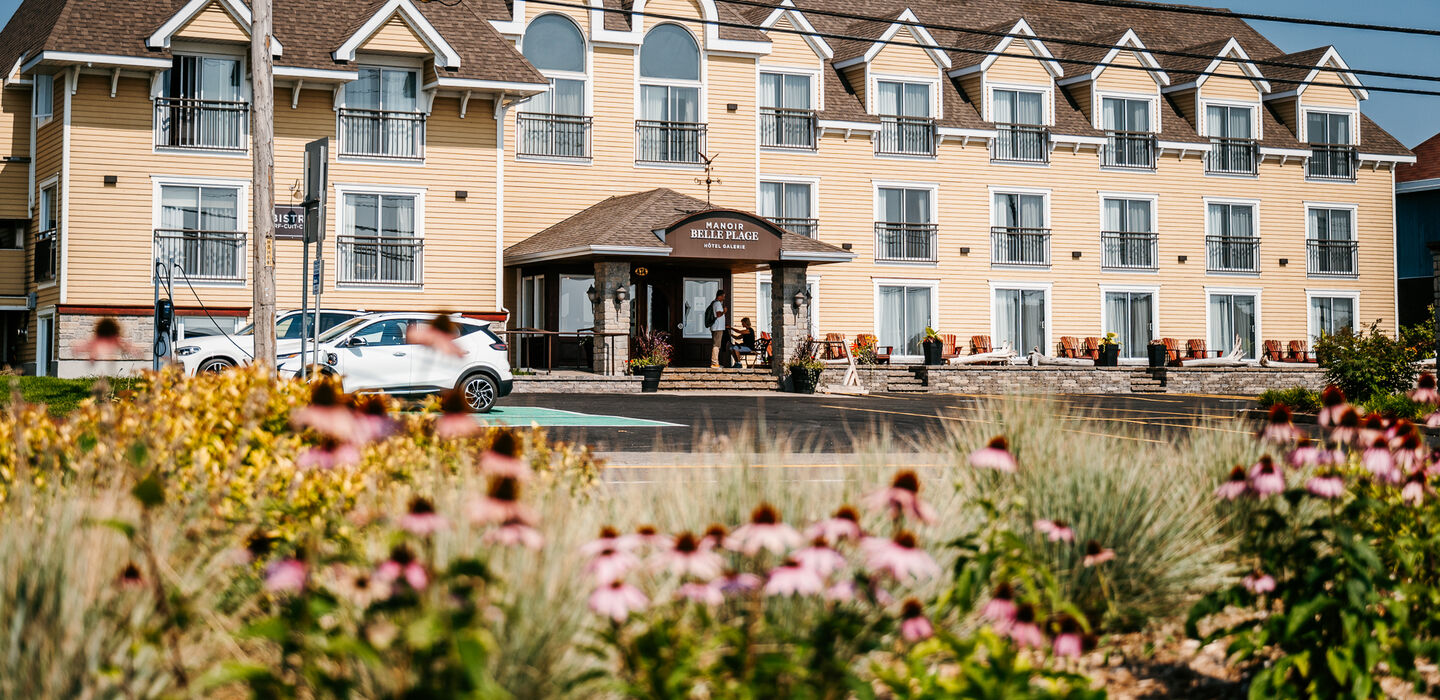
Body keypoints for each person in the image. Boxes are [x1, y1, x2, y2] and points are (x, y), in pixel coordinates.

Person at [708, 289, 727, 368]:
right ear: (720, 296)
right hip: (717, 327)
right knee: (716, 345)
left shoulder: (715, 303)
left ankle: (715, 362)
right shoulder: (717, 303)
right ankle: (714, 362)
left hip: (716, 327)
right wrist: (724, 311)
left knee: (716, 344)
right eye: (723, 296)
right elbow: (718, 314)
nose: (724, 298)